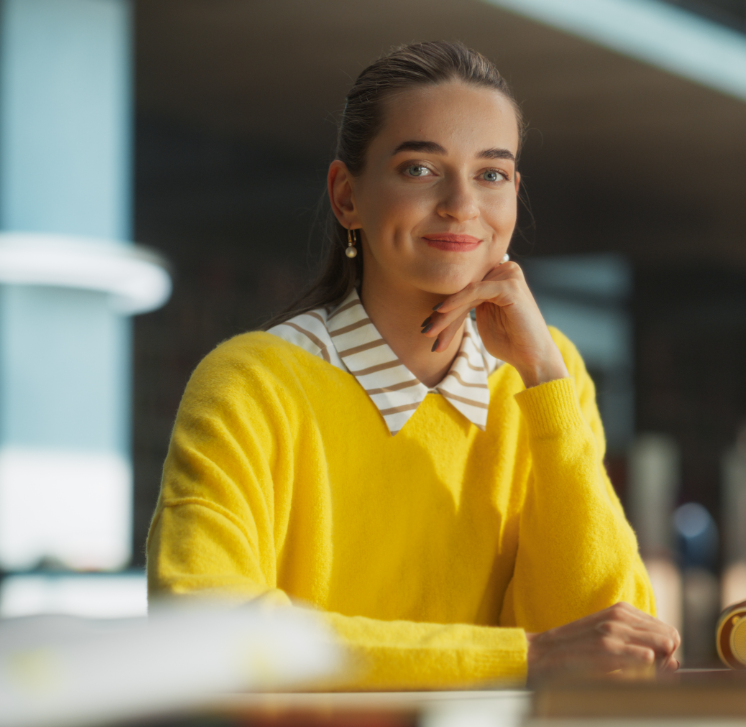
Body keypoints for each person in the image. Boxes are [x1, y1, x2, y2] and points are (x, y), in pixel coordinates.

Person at [146, 40, 681, 690]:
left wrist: (546, 380)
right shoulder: (251, 384)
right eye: (421, 169)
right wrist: (525, 658)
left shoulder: (548, 374)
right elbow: (205, 633)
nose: (462, 203)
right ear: (347, 195)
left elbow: (612, 649)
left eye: (491, 173)